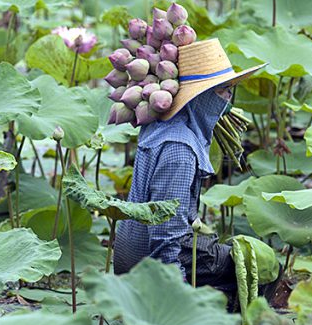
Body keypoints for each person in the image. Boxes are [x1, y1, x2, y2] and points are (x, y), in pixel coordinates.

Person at [112, 38, 265, 299]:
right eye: (221, 91)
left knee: (222, 251)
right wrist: (177, 299)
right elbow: (164, 236)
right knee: (256, 269)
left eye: (229, 90)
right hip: (145, 261)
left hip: (129, 248)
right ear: (199, 96)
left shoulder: (161, 125)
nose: (228, 99)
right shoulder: (180, 150)